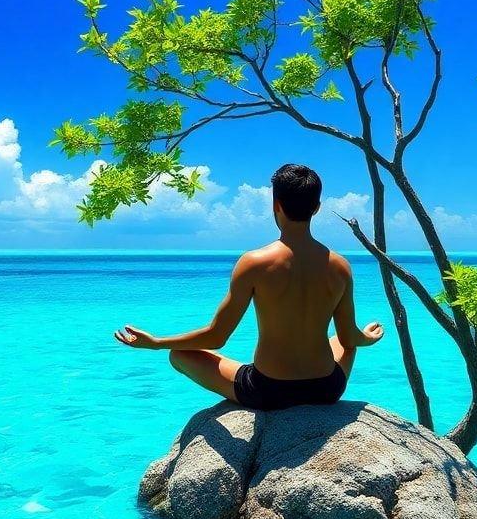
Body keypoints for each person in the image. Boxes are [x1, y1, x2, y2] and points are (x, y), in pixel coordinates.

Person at [114, 163, 384, 410]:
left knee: (179, 355)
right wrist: (368, 338)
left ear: (276, 205)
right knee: (343, 342)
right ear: (317, 207)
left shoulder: (254, 263)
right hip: (326, 389)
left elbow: (216, 337)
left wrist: (156, 343)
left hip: (268, 391)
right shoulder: (340, 266)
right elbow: (349, 338)